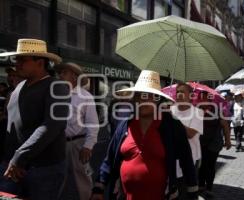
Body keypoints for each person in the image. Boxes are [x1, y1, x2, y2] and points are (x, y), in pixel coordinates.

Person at [91, 70, 198, 200]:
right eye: (139, 95)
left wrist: (192, 192)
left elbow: (186, 160)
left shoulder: (172, 125)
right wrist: (99, 188)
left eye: (148, 95)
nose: (143, 100)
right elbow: (109, 160)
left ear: (156, 99)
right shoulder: (124, 124)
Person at [0, 38, 70, 199]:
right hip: (12, 168)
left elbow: (51, 126)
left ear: (40, 62)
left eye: (22, 60)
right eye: (16, 59)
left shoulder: (57, 87)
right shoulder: (18, 87)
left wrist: (19, 156)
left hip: (43, 170)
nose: (17, 64)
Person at [54, 62, 99, 200]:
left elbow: (93, 123)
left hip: (77, 143)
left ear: (74, 76)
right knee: (56, 177)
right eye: (60, 72)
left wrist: (88, 146)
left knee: (82, 178)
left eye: (64, 73)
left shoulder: (85, 96)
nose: (60, 75)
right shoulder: (55, 94)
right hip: (57, 143)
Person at [169, 83, 203, 199]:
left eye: (182, 92)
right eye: (177, 91)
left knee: (187, 192)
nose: (179, 94)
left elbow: (190, 134)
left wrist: (174, 120)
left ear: (190, 96)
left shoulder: (198, 112)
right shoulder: (170, 110)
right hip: (172, 158)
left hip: (190, 159)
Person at [197, 91, 231, 197]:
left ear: (209, 99)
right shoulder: (196, 111)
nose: (202, 100)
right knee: (201, 165)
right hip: (200, 143)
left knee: (210, 165)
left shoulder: (217, 111)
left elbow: (225, 126)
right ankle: (201, 185)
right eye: (200, 98)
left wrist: (228, 140)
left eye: (204, 98)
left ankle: (209, 187)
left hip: (214, 143)